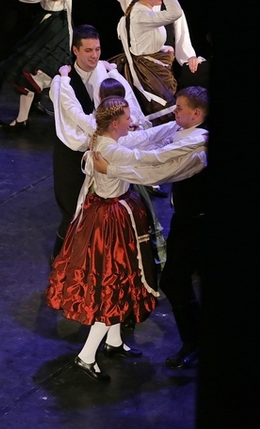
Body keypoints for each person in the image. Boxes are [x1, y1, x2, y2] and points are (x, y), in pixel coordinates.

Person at [46, 96, 206, 382]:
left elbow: (142, 139)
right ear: (115, 124)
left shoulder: (108, 139)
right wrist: (194, 142)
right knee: (111, 283)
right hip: (109, 222)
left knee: (123, 279)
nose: (132, 123)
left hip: (113, 214)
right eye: (127, 119)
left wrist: (177, 130)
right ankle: (86, 356)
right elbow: (146, 160)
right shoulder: (109, 148)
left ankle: (114, 340)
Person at [93, 86, 209, 369]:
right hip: (186, 218)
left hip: (197, 222)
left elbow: (156, 168)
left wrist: (111, 168)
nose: (174, 111)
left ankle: (194, 343)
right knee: (175, 280)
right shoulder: (185, 128)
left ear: (196, 114)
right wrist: (122, 140)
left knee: (174, 281)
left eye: (179, 108)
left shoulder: (197, 150)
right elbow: (153, 138)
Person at [49, 24, 148, 260]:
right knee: (72, 210)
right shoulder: (62, 83)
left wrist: (129, 126)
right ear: (75, 50)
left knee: (100, 213)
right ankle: (60, 259)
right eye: (88, 50)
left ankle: (90, 263)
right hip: (73, 154)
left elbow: (127, 105)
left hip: (104, 154)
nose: (94, 55)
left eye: (97, 49)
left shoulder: (106, 74)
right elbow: (71, 123)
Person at [0, 0, 76, 128]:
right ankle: (25, 118)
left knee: (28, 68)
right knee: (37, 71)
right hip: (60, 26)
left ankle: (24, 119)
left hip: (50, 27)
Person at [110, 0, 207, 89]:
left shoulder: (168, 4)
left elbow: (182, 34)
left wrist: (189, 57)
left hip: (161, 70)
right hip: (141, 70)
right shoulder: (134, 6)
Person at [109, 0, 184, 124]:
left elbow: (142, 40)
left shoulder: (143, 11)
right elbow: (176, 12)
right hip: (148, 73)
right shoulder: (141, 15)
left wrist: (162, 48)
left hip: (155, 66)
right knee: (162, 113)